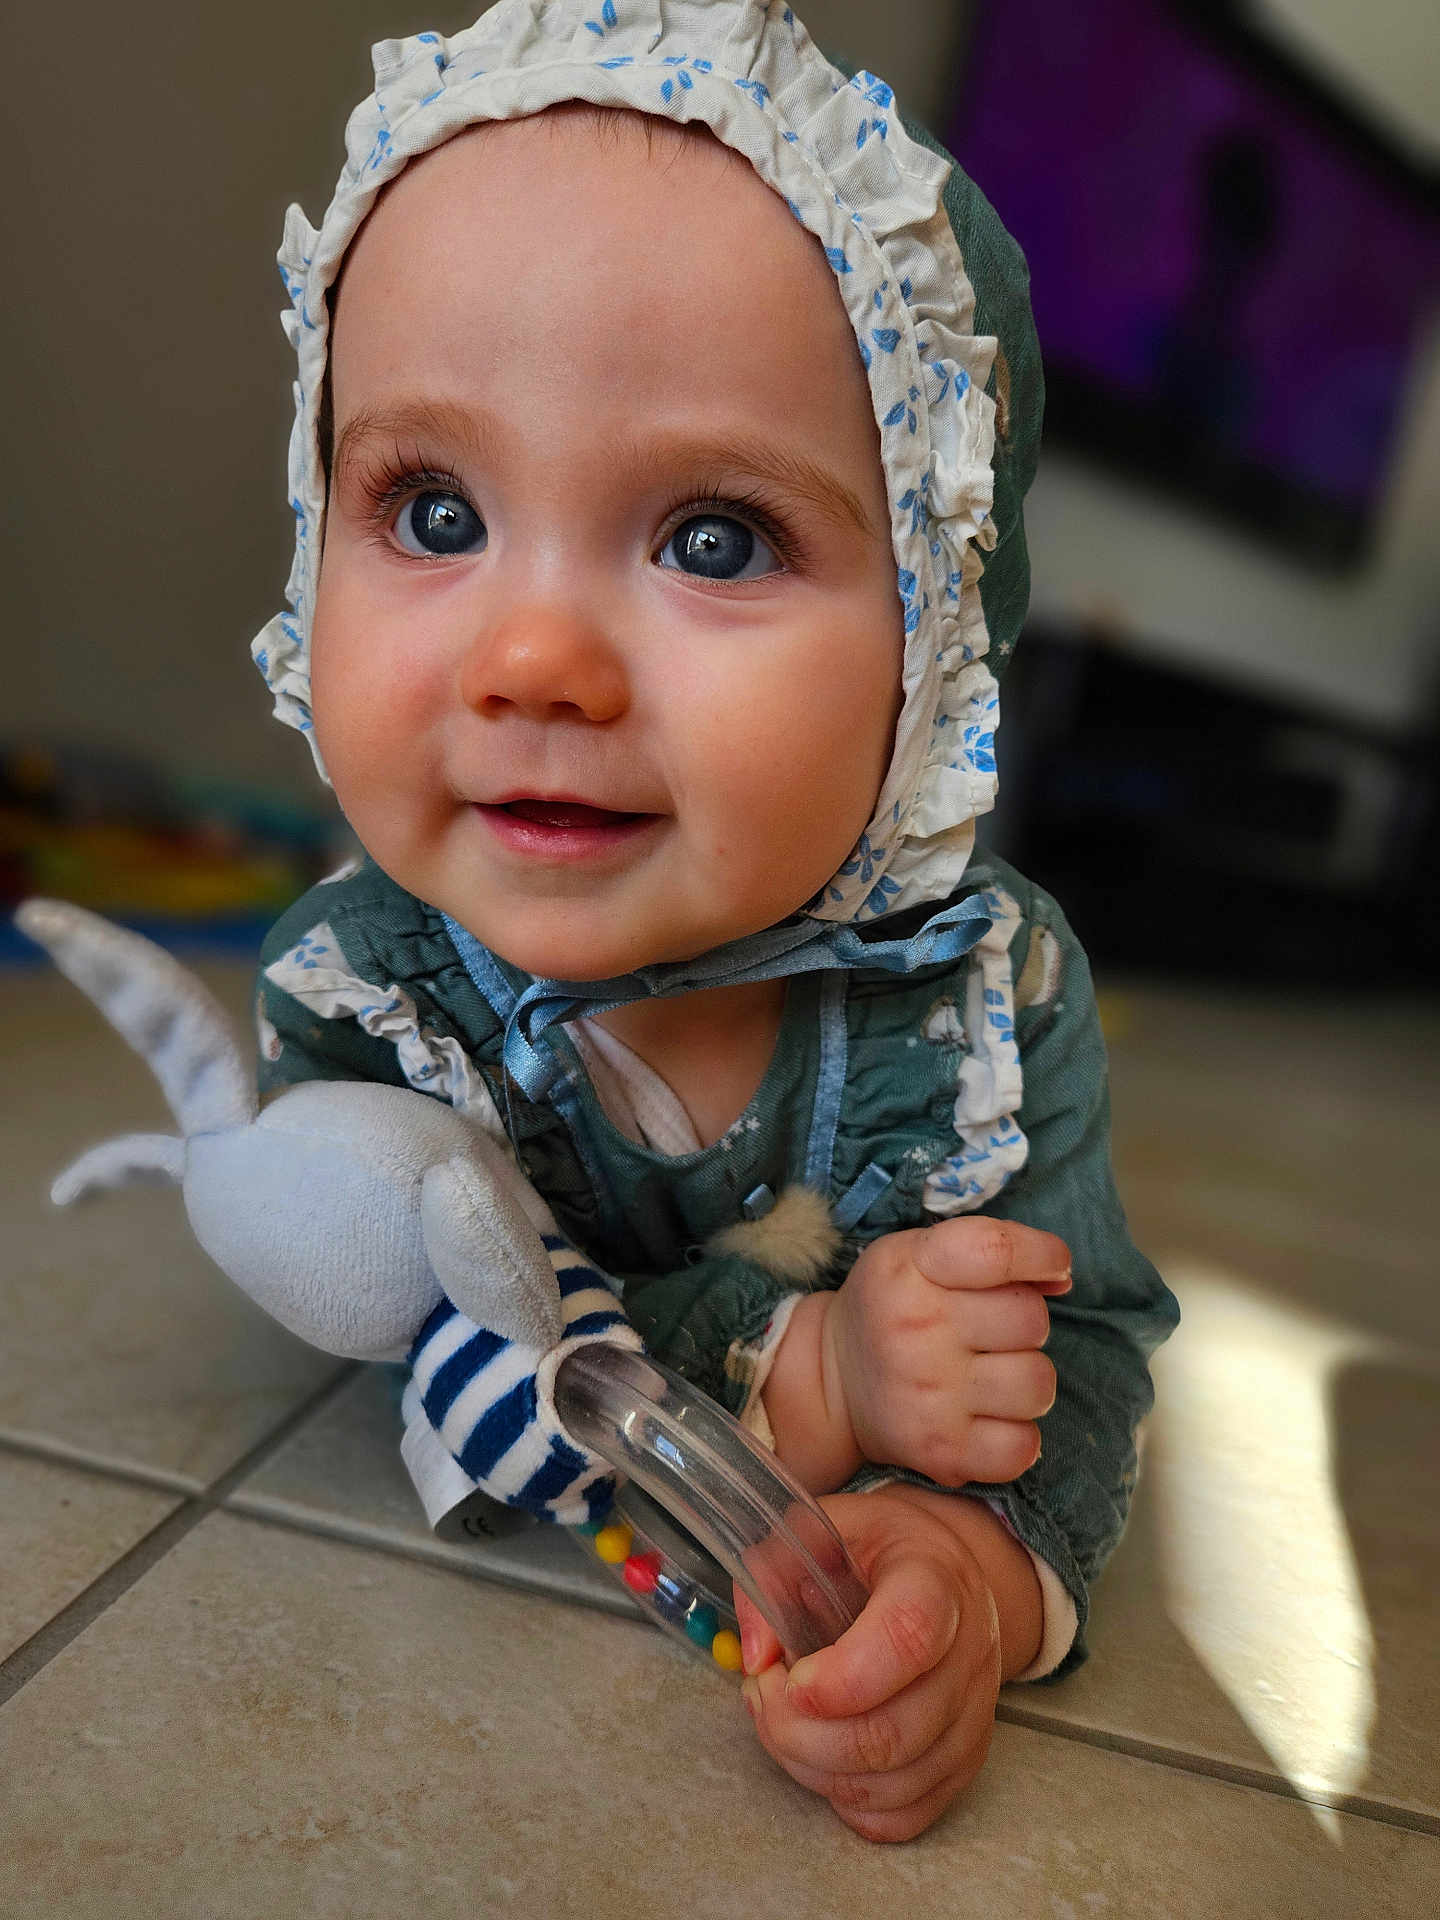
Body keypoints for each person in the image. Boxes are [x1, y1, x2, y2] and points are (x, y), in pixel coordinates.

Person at [249, 0, 1178, 1842]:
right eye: (431, 509)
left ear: (935, 633)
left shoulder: (978, 1014)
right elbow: (454, 1339)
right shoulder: (372, 1002)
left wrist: (964, 1568)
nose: (533, 661)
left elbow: (1066, 1357)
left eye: (715, 541)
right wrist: (812, 1374)